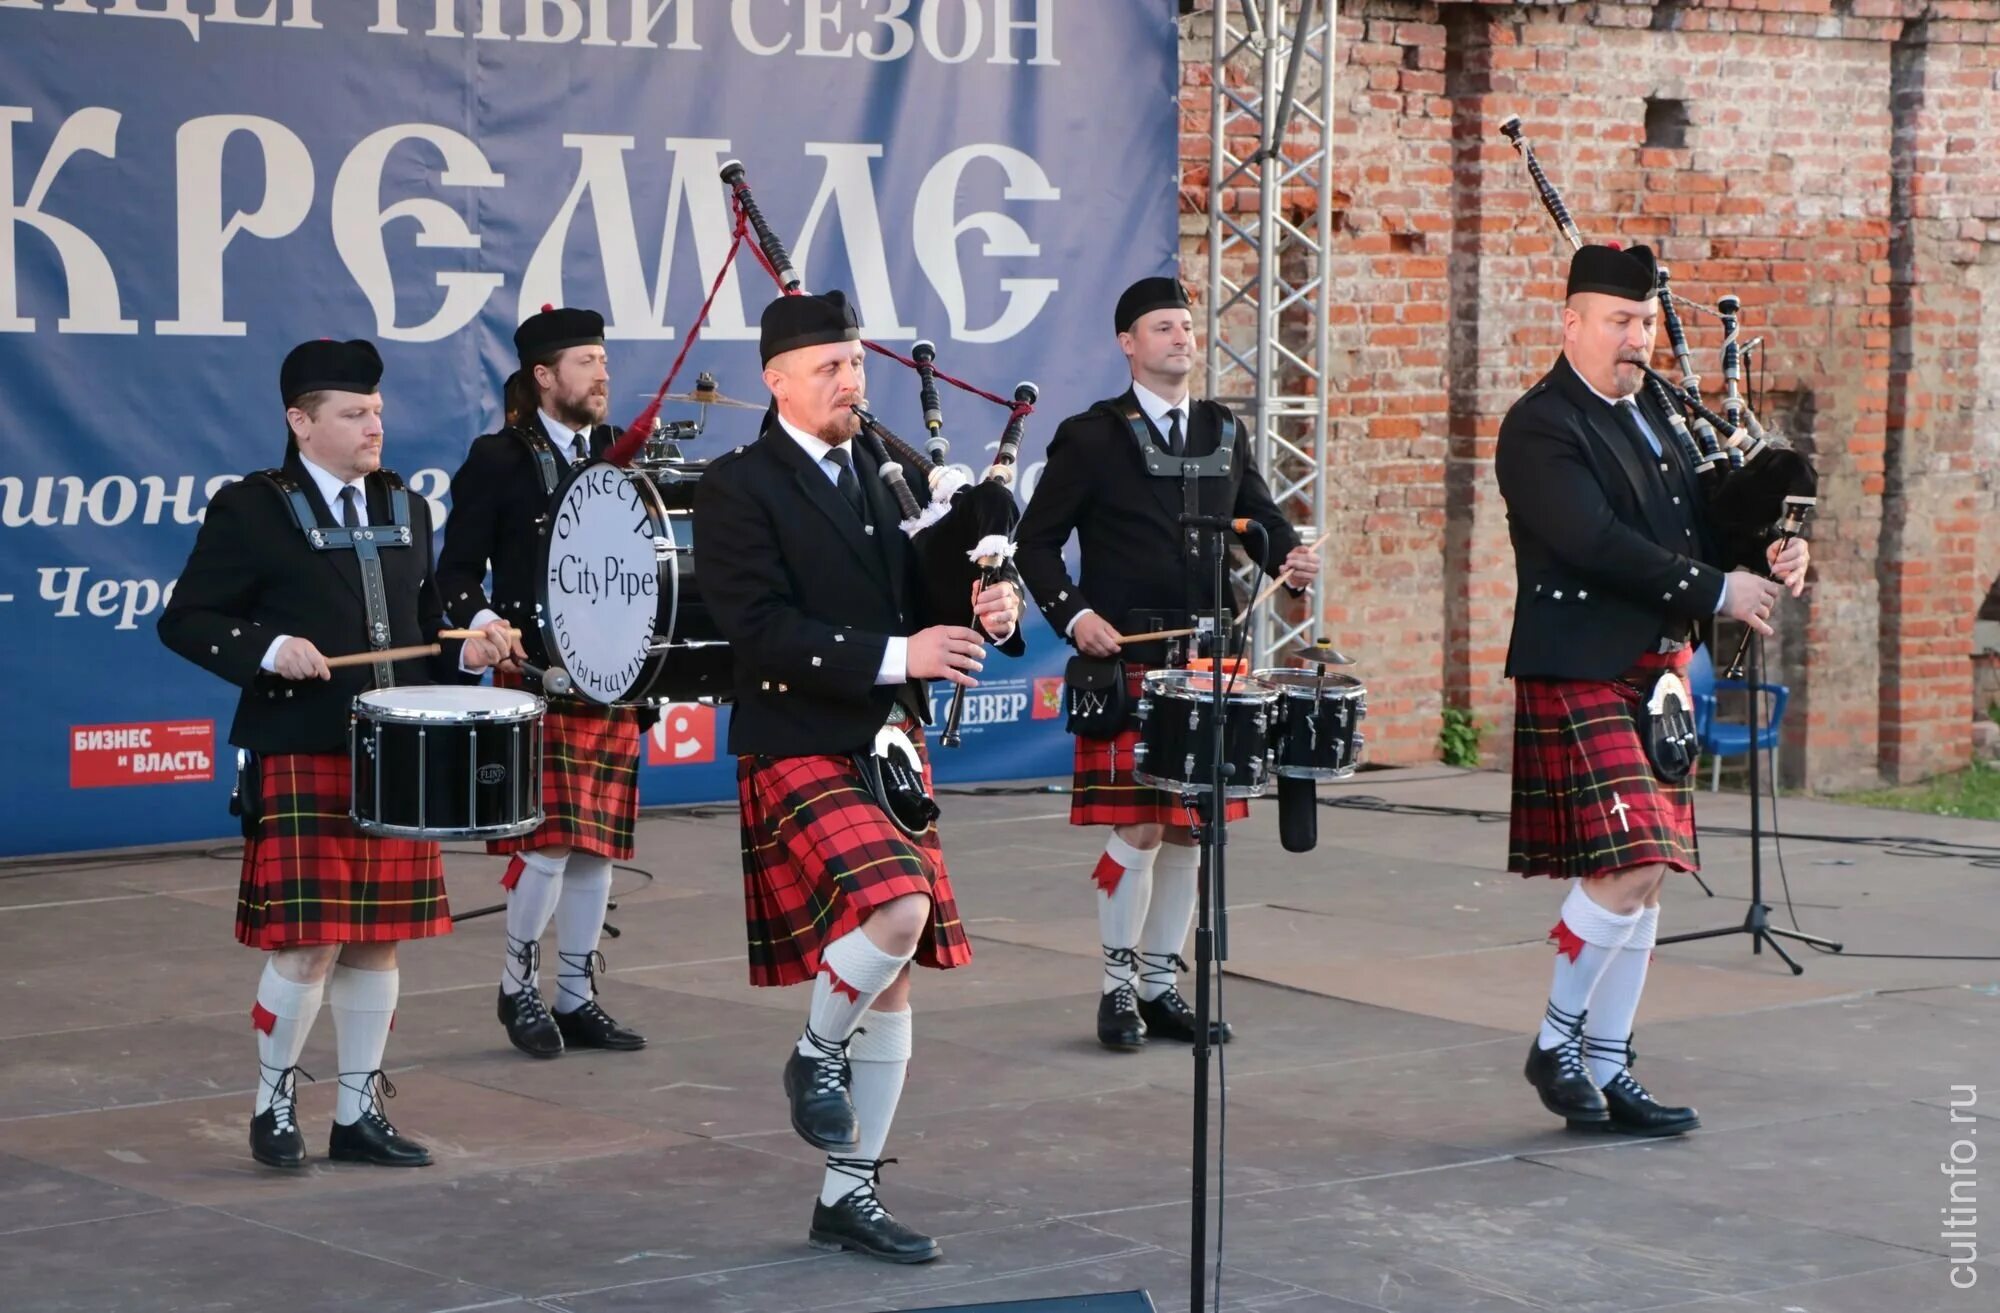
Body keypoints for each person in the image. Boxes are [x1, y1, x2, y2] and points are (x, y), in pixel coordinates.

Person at [693, 290, 1024, 1263]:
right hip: (795, 733)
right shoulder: (738, 486)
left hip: (884, 745)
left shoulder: (888, 476)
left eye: (855, 363)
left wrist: (984, 607)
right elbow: (758, 633)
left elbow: (929, 596)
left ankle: (848, 1190)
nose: (850, 380)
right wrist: (900, 653)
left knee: (891, 985)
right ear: (777, 380)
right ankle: (811, 1051)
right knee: (895, 909)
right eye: (830, 366)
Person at [159, 338, 510, 1169]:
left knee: (376, 939)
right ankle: (272, 1106)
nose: (372, 427)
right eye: (353, 414)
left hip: (396, 758)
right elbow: (186, 618)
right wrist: (268, 644)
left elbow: (427, 631)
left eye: (377, 412)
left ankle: (357, 1113)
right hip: (303, 750)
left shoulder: (405, 505)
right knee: (308, 941)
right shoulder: (253, 507)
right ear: (300, 420)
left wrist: (470, 648)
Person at [1496, 243, 1807, 1136]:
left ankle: (1606, 1061)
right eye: (1618, 323)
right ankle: (1558, 1040)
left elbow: (1706, 522)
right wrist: (1717, 591)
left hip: (1656, 669)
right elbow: (1593, 540)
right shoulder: (1541, 426)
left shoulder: (1657, 420)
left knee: (1648, 878)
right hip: (1582, 662)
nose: (1636, 340)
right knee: (1630, 863)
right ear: (1572, 323)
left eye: (1642, 324)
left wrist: (1769, 551)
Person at [1014, 275, 1320, 1051]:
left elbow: (1259, 518)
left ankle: (1159, 985)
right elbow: (1035, 544)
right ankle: (1116, 988)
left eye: (1186, 325)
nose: (1181, 337)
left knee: (1192, 830)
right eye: (1162, 326)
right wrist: (1076, 616)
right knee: (1139, 828)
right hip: (1130, 659)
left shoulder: (1222, 430)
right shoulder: (1092, 436)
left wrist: (1290, 557)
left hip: (1211, 656)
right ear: (1128, 342)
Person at [437, 306, 647, 1060]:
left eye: (604, 359)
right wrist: (489, 622)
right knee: (551, 844)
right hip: (536, 671)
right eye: (587, 360)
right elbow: (453, 573)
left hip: (613, 675)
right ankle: (515, 985)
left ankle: (576, 994)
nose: (602, 373)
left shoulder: (619, 457)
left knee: (596, 850)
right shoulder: (498, 457)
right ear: (544, 376)